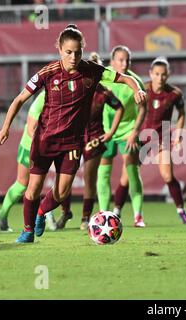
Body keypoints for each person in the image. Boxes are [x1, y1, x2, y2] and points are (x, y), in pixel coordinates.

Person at [0, 24, 146, 243]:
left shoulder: (92, 71)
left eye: (77, 52)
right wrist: (5, 128)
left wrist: (137, 89)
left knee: (62, 193)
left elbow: (124, 78)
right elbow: (19, 99)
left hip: (72, 144)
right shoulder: (48, 73)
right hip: (45, 140)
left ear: (82, 50)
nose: (73, 57)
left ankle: (40, 213)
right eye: (68, 52)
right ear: (59, 49)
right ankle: (27, 231)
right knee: (33, 187)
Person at [55, 52, 125, 231]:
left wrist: (110, 133)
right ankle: (65, 211)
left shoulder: (103, 92)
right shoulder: (72, 87)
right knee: (66, 177)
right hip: (72, 137)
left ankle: (85, 218)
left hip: (94, 138)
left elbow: (119, 108)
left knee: (89, 178)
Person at [96, 45, 147, 227]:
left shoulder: (135, 82)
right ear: (112, 61)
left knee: (132, 172)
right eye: (120, 60)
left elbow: (143, 109)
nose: (124, 63)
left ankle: (138, 216)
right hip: (105, 132)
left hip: (127, 133)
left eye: (127, 60)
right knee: (103, 173)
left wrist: (135, 132)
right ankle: (103, 215)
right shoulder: (103, 76)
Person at [139, 57, 186, 224]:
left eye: (163, 74)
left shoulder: (174, 94)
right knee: (128, 176)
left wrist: (178, 134)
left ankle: (181, 210)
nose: (160, 78)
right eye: (156, 74)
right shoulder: (142, 89)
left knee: (168, 176)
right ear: (150, 74)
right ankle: (117, 211)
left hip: (162, 137)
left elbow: (182, 113)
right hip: (141, 136)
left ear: (168, 75)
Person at [0, 91, 57, 232]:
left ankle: (45, 212)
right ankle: (3, 215)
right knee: (23, 184)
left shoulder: (66, 96)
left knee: (42, 183)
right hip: (30, 147)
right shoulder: (42, 99)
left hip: (51, 145)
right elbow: (31, 129)